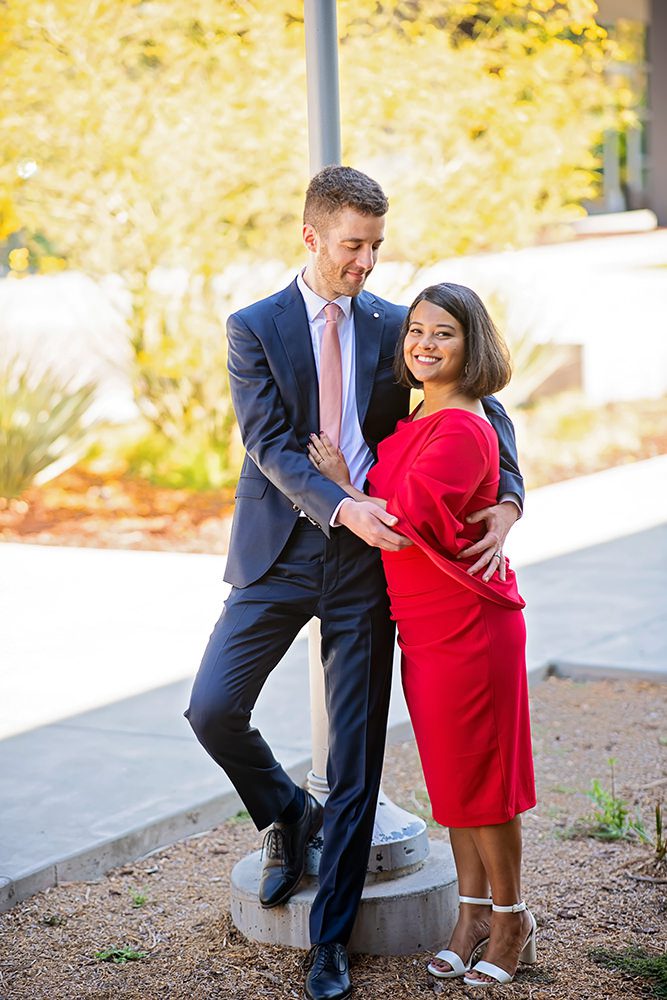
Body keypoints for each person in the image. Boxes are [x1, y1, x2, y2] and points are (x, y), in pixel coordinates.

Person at [185, 167, 524, 1000]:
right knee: (213, 708)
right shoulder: (254, 326)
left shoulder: (391, 324)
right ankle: (285, 811)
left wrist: (509, 496)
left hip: (370, 567)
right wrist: (342, 504)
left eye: (375, 246)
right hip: (278, 552)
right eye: (351, 246)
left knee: (355, 758)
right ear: (311, 236)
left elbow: (478, 399)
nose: (365, 262)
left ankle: (329, 941)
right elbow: (268, 442)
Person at [308, 281, 536, 989]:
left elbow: (403, 527)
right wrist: (352, 486)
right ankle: (470, 917)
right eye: (416, 331)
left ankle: (512, 920)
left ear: (473, 345)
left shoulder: (463, 426)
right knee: (455, 781)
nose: (424, 344)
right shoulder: (418, 417)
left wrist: (343, 488)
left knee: (485, 783)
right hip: (424, 627)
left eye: (444, 333)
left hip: (468, 625)